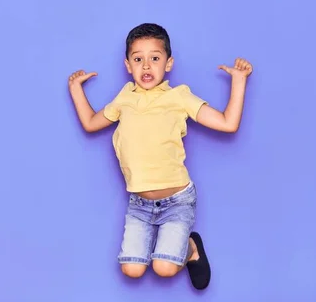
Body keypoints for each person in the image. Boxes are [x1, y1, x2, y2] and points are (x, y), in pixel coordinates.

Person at [67, 23, 253, 290]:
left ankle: (190, 248)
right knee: (131, 270)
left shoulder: (180, 97)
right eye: (138, 59)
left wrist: (239, 81)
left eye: (154, 58)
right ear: (128, 65)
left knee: (164, 269)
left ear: (168, 63)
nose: (146, 66)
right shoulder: (123, 98)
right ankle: (170, 245)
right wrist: (75, 88)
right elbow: (90, 123)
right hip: (139, 204)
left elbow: (228, 123)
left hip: (177, 201)